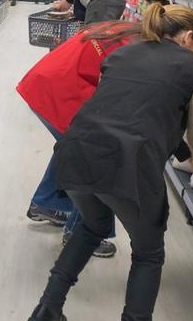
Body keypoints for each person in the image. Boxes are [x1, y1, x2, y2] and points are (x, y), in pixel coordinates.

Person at [25, 3, 193, 321]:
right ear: (189, 37)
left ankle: (47, 310)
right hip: (128, 166)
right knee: (148, 253)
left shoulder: (124, 53)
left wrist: (180, 154)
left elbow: (131, 108)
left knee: (90, 227)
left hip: (77, 153)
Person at [16, 20, 143, 258]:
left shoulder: (122, 27)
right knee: (95, 158)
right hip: (62, 94)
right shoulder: (134, 50)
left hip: (44, 81)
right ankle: (83, 233)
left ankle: (47, 203)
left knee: (71, 149)